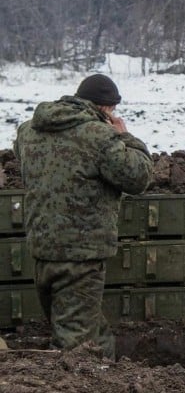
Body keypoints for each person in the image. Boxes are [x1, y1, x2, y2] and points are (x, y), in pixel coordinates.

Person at [13, 73, 152, 359]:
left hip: (42, 252)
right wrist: (124, 135)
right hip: (80, 257)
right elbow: (138, 177)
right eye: (112, 112)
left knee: (87, 331)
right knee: (75, 349)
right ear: (105, 109)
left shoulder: (29, 131)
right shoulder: (99, 136)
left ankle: (106, 371)